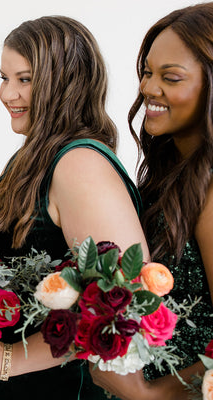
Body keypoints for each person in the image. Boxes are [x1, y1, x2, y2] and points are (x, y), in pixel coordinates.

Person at [0, 16, 148, 400]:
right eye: (4, 77)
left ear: (66, 82)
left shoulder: (79, 164)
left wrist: (9, 358)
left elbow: (124, 303)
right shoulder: (34, 156)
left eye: (24, 79)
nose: (8, 94)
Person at [90, 4, 213, 399]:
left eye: (170, 77)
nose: (148, 89)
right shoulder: (170, 174)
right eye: (147, 72)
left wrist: (148, 395)